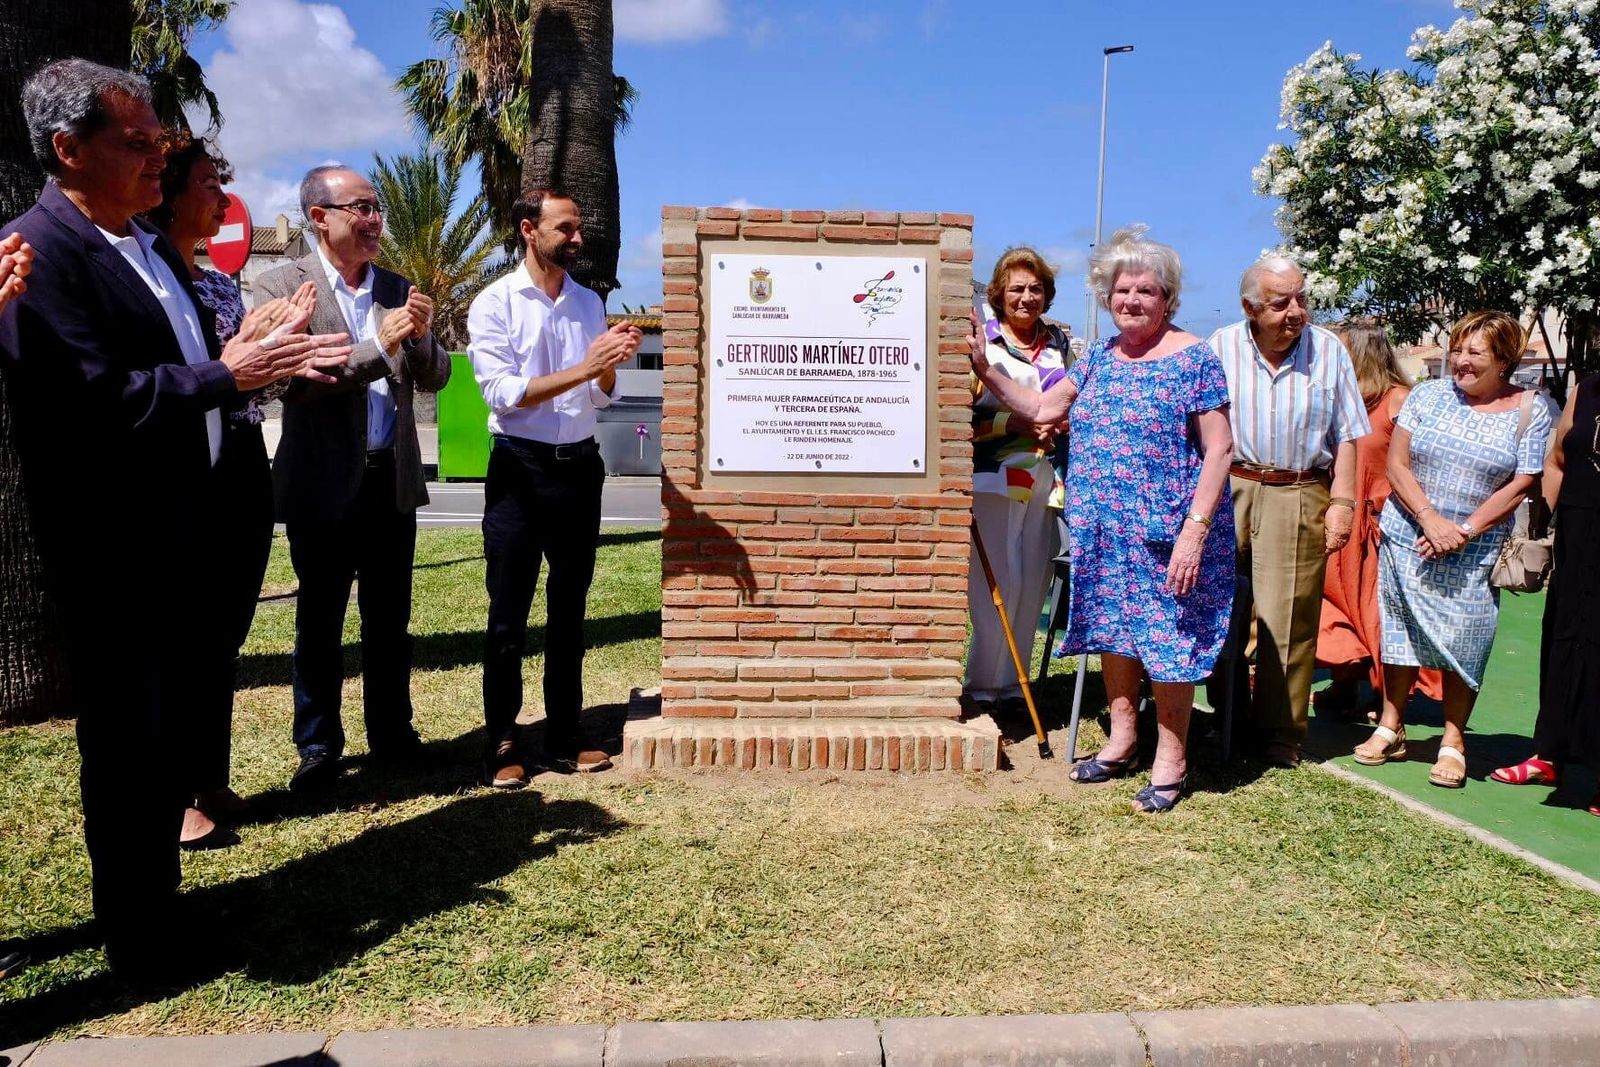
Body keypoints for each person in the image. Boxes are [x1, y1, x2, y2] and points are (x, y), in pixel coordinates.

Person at [0, 59, 348, 979]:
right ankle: (139, 939)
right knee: (126, 748)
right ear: (69, 150)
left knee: (166, 742)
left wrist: (245, 355)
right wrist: (228, 374)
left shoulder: (144, 246)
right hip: (116, 546)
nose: (162, 155)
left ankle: (160, 908)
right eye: (140, 141)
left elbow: (199, 369)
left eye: (162, 140)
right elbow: (92, 399)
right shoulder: (39, 252)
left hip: (188, 531)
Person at [970, 225, 1235, 813]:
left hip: (1169, 531)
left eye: (1146, 291)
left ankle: (1172, 758)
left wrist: (1194, 534)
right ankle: (1122, 741)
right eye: (1122, 292)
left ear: (1167, 298)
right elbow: (1042, 408)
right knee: (1115, 634)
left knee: (1169, 641)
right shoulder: (1095, 358)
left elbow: (1219, 450)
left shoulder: (1194, 357)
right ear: (1106, 298)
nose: (1132, 301)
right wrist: (984, 370)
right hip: (1103, 529)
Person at [258, 164, 452, 794]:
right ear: (320, 217)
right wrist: (381, 344)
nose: (375, 220)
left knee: (390, 619)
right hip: (322, 482)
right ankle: (318, 748)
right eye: (361, 208)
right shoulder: (278, 287)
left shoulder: (397, 287)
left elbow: (438, 375)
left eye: (377, 209)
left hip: (388, 481)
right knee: (319, 621)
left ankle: (394, 735)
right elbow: (292, 381)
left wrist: (417, 338)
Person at [145, 132, 313, 849]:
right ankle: (176, 792)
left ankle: (210, 775)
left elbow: (252, 386)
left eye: (224, 183)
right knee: (181, 635)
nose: (223, 197)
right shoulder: (148, 279)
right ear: (169, 191)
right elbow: (179, 382)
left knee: (224, 632)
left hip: (242, 458)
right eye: (209, 184)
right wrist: (240, 349)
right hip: (183, 469)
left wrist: (281, 347)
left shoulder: (216, 281)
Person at [467, 187, 640, 787]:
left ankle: (565, 732)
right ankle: (504, 740)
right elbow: (503, 393)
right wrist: (585, 367)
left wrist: (611, 359)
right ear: (528, 230)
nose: (577, 237)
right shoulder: (493, 303)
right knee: (508, 616)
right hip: (519, 469)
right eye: (565, 227)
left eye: (578, 227)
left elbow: (600, 393)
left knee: (569, 609)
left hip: (579, 468)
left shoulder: (588, 302)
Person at [1355, 311, 1555, 788]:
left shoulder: (1532, 408)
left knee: (1468, 638)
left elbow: (1523, 482)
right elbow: (1397, 464)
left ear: (1504, 360)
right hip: (1409, 537)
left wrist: (1461, 530)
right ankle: (1390, 724)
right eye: (1457, 349)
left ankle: (1452, 740)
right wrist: (1428, 518)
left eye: (1474, 353)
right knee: (1400, 635)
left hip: (1474, 548)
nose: (1460, 361)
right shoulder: (1426, 394)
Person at [1209, 258, 1371, 768]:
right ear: (1250, 308)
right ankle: (1226, 713)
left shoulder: (1329, 351)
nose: (1295, 311)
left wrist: (1342, 504)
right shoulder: (1220, 346)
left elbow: (1348, 435)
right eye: (1280, 302)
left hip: (1299, 489)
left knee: (1290, 618)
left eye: (1300, 298)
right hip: (1230, 486)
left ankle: (1281, 730)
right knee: (1219, 608)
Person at [1314, 324, 1442, 720]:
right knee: (1331, 605)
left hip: (1380, 525)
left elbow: (1418, 464)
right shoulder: (1344, 402)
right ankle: (1344, 679)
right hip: (1340, 518)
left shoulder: (1397, 401)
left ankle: (1386, 694)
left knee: (1376, 611)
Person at [966, 247, 1069, 715]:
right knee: (996, 582)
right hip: (994, 476)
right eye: (1016, 289)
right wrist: (1017, 424)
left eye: (1035, 288)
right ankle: (983, 683)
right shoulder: (981, 343)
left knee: (1033, 579)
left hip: (1046, 478)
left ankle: (1015, 683)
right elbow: (962, 422)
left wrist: (1058, 424)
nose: (1026, 297)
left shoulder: (1059, 343)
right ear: (999, 294)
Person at [1491, 372, 1600, 816]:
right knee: (1563, 641)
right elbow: (1557, 459)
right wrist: (1540, 527)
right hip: (1577, 532)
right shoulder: (1588, 388)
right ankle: (1548, 755)